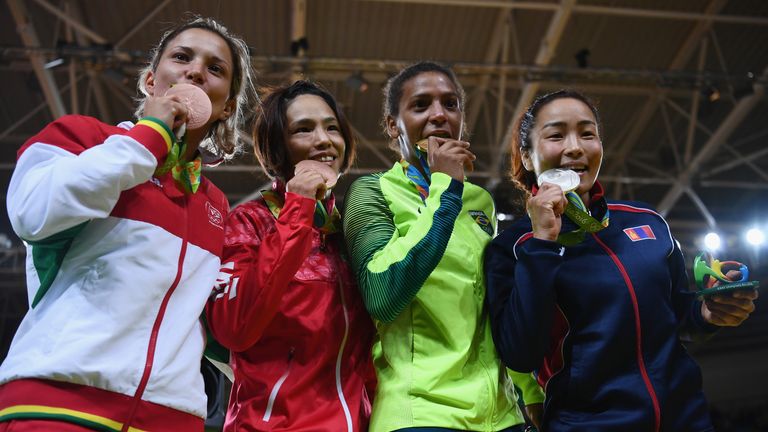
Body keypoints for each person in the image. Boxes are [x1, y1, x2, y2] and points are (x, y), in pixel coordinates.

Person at [0, 16, 255, 431]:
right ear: (151, 81)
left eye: (215, 68)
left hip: (170, 419)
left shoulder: (216, 206)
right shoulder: (81, 137)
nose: (195, 71)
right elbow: (31, 212)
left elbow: (223, 323)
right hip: (59, 401)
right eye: (182, 57)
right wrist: (147, 139)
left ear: (227, 105)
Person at [484, 89, 759, 431]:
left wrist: (708, 312)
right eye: (556, 135)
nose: (575, 147)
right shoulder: (513, 247)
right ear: (527, 157)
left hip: (687, 420)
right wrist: (543, 242)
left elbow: (677, 314)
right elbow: (520, 353)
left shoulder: (646, 221)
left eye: (588, 133)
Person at [343, 61, 543, 432]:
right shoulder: (371, 192)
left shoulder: (480, 201)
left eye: (450, 104)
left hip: (500, 415)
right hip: (420, 412)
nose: (439, 115)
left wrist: (531, 391)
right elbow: (383, 295)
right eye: (421, 105)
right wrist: (445, 188)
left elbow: (492, 303)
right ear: (392, 125)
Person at [205, 80, 375, 431]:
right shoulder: (248, 223)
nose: (324, 140)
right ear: (277, 148)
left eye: (332, 127)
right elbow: (233, 328)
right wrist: (297, 209)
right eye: (303, 129)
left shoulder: (349, 235)